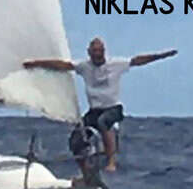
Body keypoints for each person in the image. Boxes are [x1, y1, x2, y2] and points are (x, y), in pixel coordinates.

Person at [73, 37, 177, 170]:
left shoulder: (115, 64)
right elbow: (64, 65)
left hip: (113, 109)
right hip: (94, 110)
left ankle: (111, 162)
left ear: (104, 51)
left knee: (103, 121)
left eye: (100, 51)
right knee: (77, 136)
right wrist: (44, 63)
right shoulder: (84, 66)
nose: (98, 54)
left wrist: (161, 56)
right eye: (95, 51)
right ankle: (86, 171)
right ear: (89, 52)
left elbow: (137, 61)